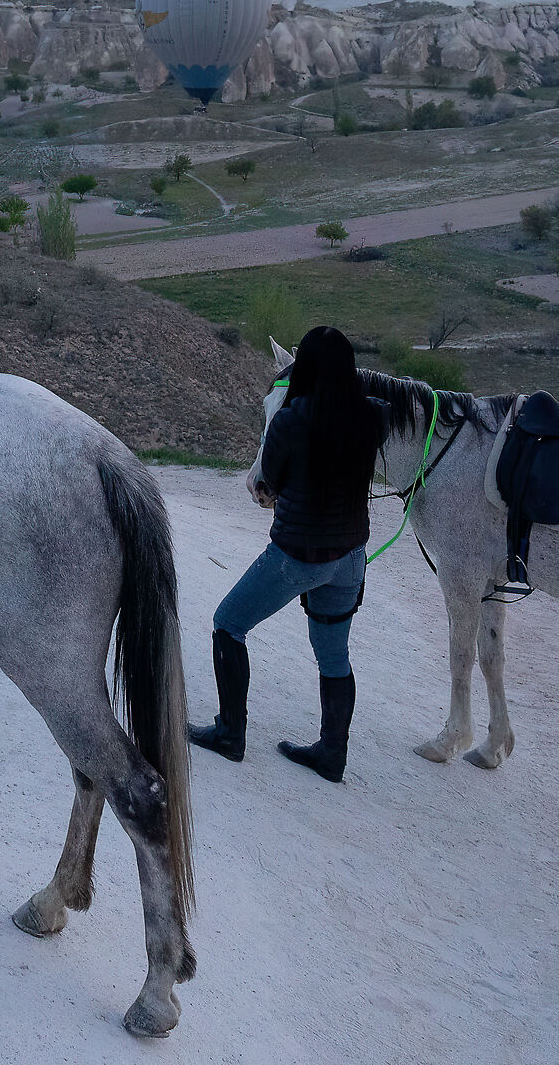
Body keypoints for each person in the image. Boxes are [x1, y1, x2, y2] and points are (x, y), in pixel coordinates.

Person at [189, 325, 389, 782]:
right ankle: (332, 755)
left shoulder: (290, 422)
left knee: (228, 623)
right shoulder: (373, 418)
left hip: (298, 555)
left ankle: (230, 734)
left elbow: (268, 485)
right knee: (334, 656)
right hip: (350, 558)